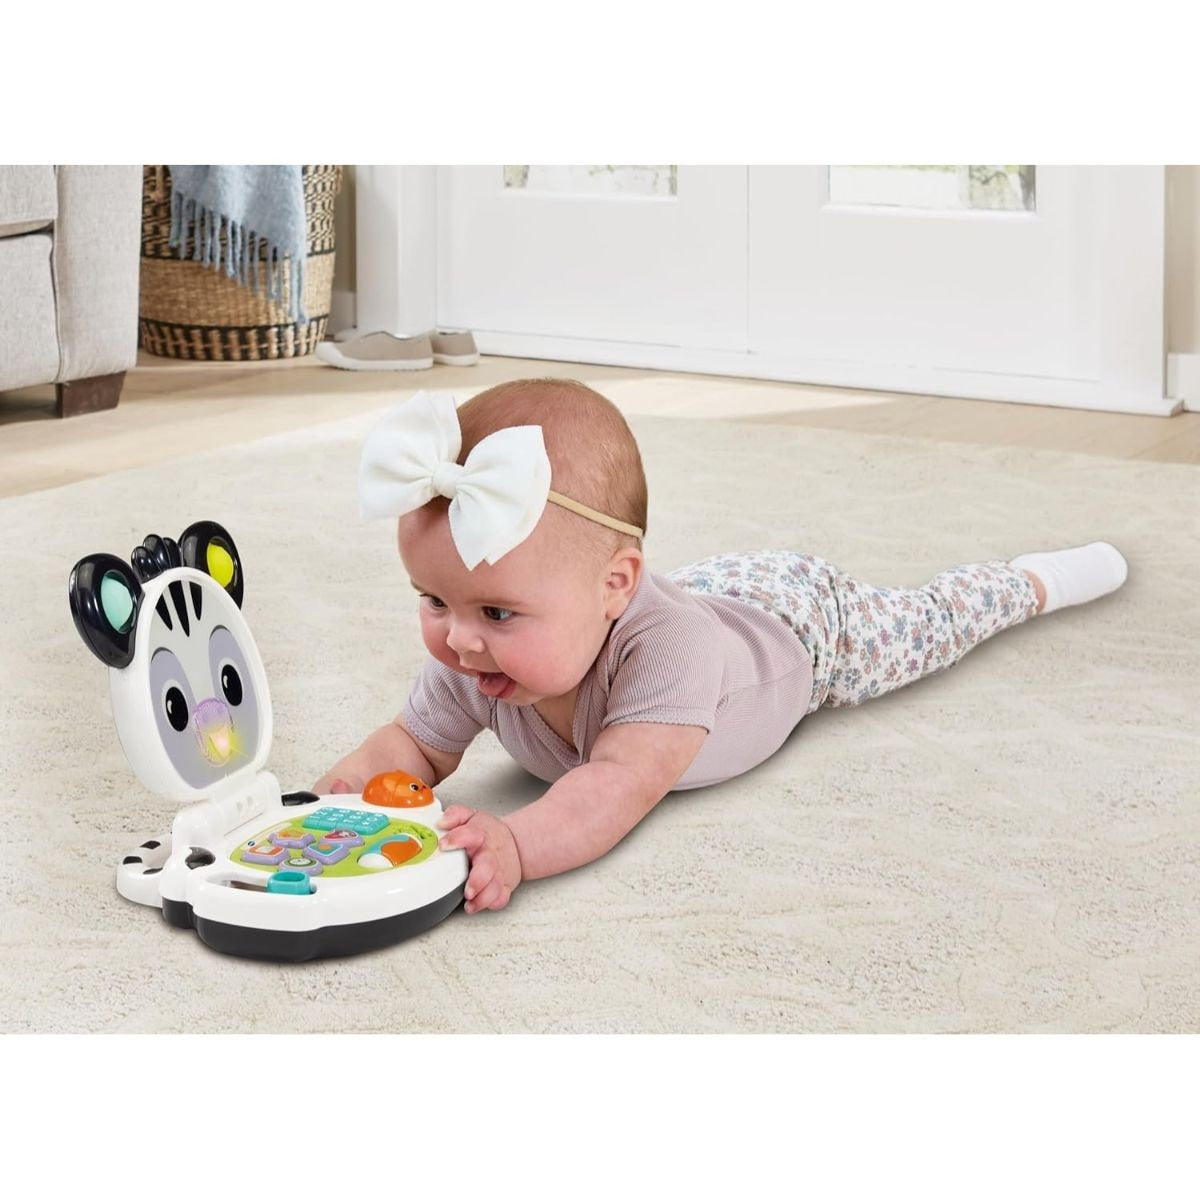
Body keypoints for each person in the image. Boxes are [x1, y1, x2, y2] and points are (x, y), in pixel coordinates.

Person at [313, 380, 1128, 915]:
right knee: (670, 591)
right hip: (703, 585)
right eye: (433, 600)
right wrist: (338, 795)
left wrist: (517, 845)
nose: (457, 638)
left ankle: (1032, 582)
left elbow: (615, 785)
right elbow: (412, 744)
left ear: (614, 588)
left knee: (929, 625)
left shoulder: (673, 653)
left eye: (495, 611)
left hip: (800, 622)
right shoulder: (474, 652)